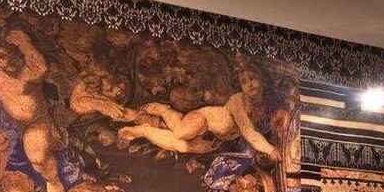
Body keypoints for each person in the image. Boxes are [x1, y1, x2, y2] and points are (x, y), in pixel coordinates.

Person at [118, 62, 280, 161]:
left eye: (252, 79)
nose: (249, 84)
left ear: (261, 79)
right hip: (203, 119)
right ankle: (165, 111)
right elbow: (249, 132)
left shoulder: (264, 104)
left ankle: (145, 131)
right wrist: (270, 149)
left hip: (216, 137)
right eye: (244, 82)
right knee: (181, 133)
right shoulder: (238, 101)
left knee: (182, 146)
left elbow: (266, 125)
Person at [0, 30, 65, 192]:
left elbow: (42, 68)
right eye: (2, 56)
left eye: (13, 55)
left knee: (38, 159)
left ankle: (54, 181)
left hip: (36, 122)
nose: (8, 61)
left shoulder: (27, 73)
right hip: (8, 124)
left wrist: (25, 43)